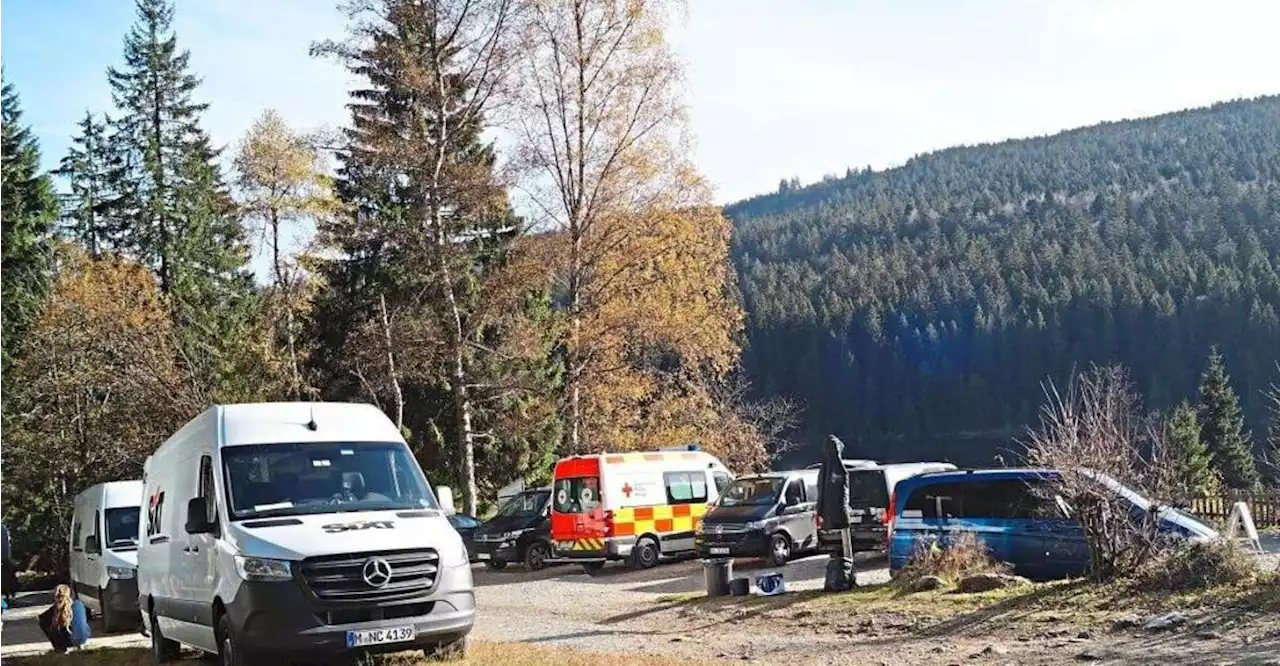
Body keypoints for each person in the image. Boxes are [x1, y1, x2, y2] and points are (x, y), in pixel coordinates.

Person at [38, 584, 90, 652]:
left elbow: (41, 618)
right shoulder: (79, 604)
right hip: (82, 638)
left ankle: (60, 648)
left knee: (45, 622)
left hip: (63, 642)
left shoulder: (55, 608)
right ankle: (80, 645)